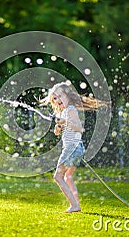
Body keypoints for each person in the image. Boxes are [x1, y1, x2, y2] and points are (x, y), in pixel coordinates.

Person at [40, 81, 106, 213]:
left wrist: (66, 122)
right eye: (55, 98)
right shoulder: (64, 111)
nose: (57, 100)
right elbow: (59, 131)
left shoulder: (70, 110)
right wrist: (58, 128)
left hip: (72, 148)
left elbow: (79, 128)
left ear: (67, 95)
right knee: (67, 177)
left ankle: (75, 205)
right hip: (76, 148)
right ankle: (76, 204)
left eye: (59, 96)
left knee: (57, 177)